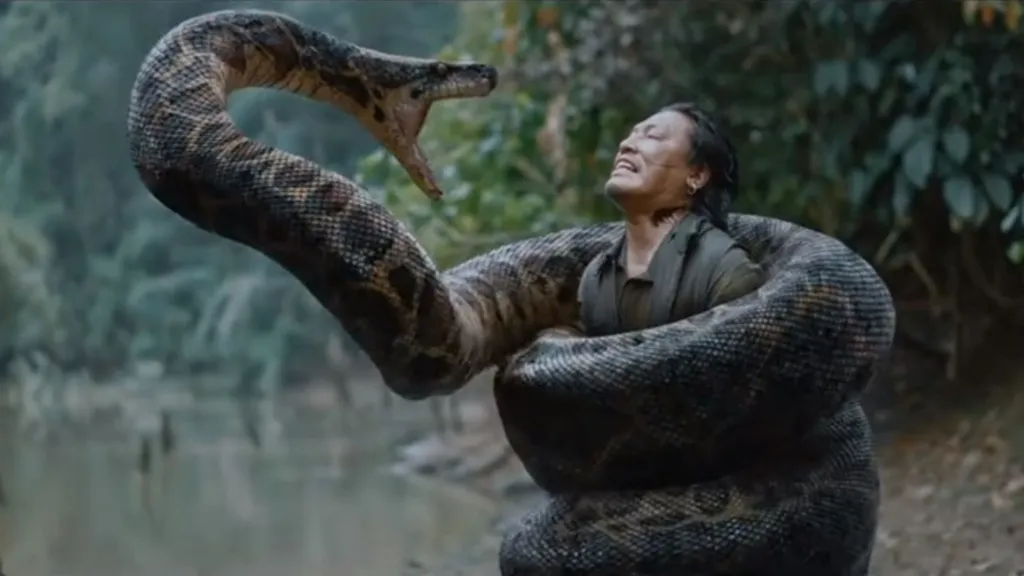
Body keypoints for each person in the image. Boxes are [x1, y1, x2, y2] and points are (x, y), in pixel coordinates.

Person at [577, 102, 764, 335]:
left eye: (652, 136)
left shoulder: (726, 270)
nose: (626, 144)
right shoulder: (596, 276)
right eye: (631, 135)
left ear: (696, 175)